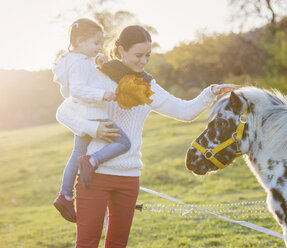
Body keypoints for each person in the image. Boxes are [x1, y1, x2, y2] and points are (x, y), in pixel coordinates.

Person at [56, 24, 240, 248]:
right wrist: (94, 129)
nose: (143, 61)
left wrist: (210, 92)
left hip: (129, 177)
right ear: (121, 50)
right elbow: (64, 112)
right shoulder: (98, 74)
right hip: (93, 175)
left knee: (117, 244)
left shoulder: (147, 85)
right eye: (138, 55)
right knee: (86, 244)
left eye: (148, 56)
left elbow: (185, 112)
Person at [52, 18, 132, 223]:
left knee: (77, 153)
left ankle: (65, 195)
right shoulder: (79, 63)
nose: (99, 47)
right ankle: (93, 161)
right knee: (123, 143)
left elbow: (80, 82)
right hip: (94, 114)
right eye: (95, 43)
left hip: (84, 114)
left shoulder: (74, 59)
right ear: (79, 41)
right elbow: (78, 90)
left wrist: (97, 60)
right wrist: (103, 94)